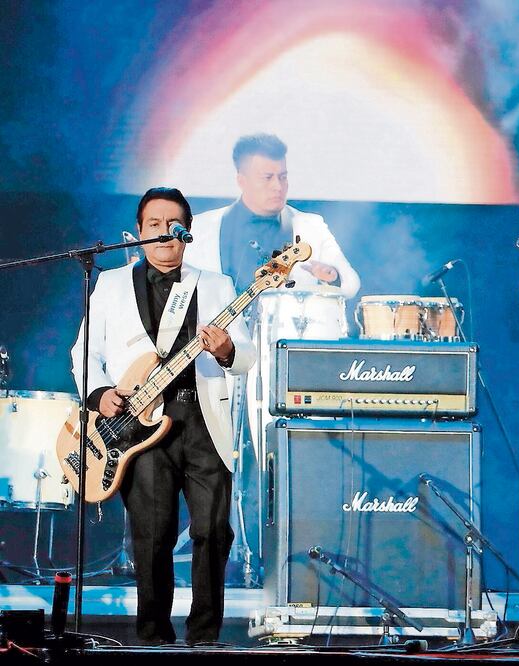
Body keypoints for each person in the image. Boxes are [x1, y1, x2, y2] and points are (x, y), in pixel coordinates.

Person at [71, 187, 256, 644]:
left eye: (173, 225)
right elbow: (84, 352)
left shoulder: (216, 285)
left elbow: (248, 354)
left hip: (201, 420)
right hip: (138, 425)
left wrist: (229, 348)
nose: (163, 233)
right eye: (153, 224)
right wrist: (98, 395)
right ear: (138, 233)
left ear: (186, 233)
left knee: (213, 531)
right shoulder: (111, 283)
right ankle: (153, 637)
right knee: (152, 534)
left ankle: (205, 636)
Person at [187, 133, 360, 298]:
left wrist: (332, 277)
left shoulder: (311, 226)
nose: (278, 186)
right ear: (242, 181)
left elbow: (351, 283)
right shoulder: (200, 228)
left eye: (283, 177)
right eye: (267, 177)